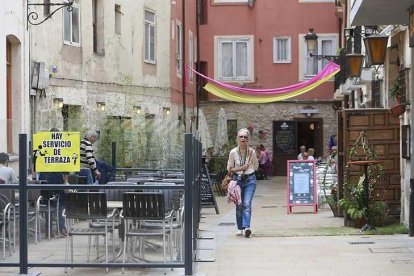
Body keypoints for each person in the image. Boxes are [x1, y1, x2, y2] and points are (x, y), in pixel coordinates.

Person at [227, 128, 259, 238]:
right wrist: (241, 168)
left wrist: (248, 171)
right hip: (237, 181)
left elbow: (256, 166)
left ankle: (246, 227)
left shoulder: (252, 152)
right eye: (241, 136)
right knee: (239, 205)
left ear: (248, 139)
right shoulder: (233, 152)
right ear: (237, 138)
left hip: (250, 180)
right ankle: (240, 228)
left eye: (245, 137)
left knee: (247, 204)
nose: (243, 138)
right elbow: (230, 169)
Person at [38, 128, 69, 237]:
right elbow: (66, 168)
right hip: (53, 181)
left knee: (50, 206)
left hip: (46, 181)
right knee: (60, 205)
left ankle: (49, 231)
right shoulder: (61, 150)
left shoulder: (43, 147)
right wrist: (65, 183)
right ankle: (60, 228)